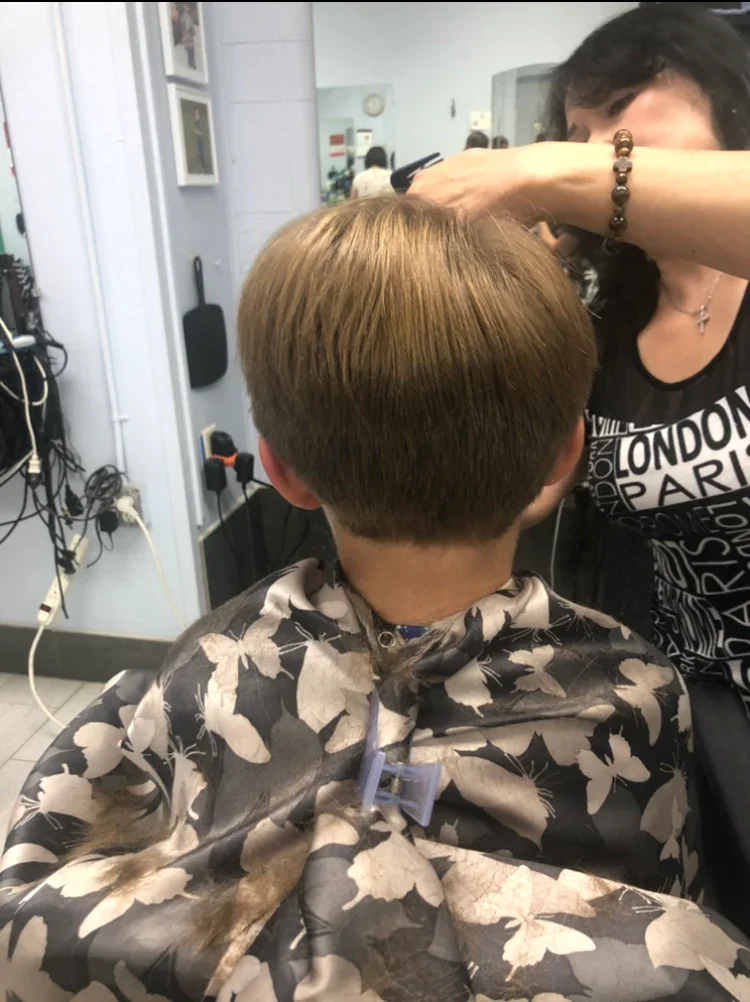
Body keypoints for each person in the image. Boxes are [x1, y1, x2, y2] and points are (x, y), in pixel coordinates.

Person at [2, 195, 747, 1000]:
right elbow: (667, 899)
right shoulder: (639, 695)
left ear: (279, 470)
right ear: (566, 455)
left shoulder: (203, 671)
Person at [409, 3, 750, 713]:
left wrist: (538, 170)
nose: (594, 146)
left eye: (619, 108)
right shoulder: (610, 323)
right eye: (574, 131)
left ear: (726, 99)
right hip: (699, 705)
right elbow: (538, 489)